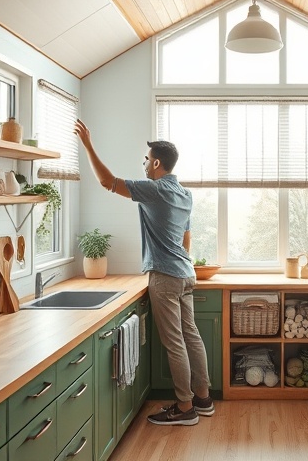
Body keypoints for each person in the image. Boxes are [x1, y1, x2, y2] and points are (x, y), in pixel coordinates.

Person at [74, 119, 213, 426]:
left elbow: (107, 181)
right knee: (191, 336)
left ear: (157, 163)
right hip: (186, 273)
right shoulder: (185, 195)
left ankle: (185, 407)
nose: (144, 164)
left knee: (175, 341)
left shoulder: (154, 190)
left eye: (146, 160)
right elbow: (186, 238)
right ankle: (203, 399)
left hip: (165, 276)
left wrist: (87, 144)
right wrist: (178, 260)